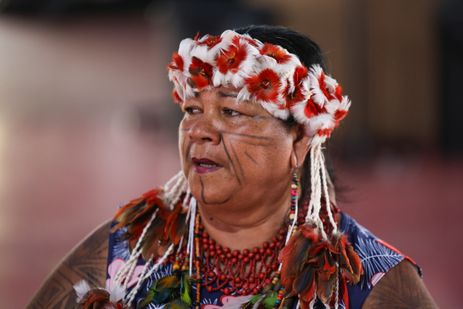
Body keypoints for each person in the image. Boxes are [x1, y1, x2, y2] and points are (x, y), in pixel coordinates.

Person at [28, 25, 437, 309]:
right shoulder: (126, 248)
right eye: (191, 110)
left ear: (299, 140)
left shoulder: (372, 283)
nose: (199, 130)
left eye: (231, 111)